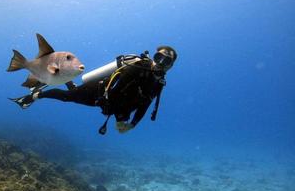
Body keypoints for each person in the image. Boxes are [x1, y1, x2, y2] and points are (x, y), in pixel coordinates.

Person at [10, 46, 177, 134]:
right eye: (158, 58)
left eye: (166, 61)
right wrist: (121, 118)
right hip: (97, 93)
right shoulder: (138, 67)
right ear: (153, 57)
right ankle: (36, 95)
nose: (160, 63)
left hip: (110, 105)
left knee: (73, 93)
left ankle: (66, 79)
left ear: (171, 66)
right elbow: (114, 90)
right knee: (68, 97)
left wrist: (133, 124)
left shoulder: (158, 83)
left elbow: (145, 104)